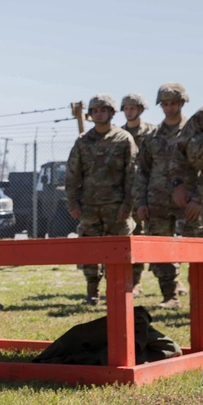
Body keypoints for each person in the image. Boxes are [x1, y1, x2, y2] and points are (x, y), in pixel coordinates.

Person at [65, 94, 138, 306]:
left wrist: (128, 205)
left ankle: (117, 295)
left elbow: (132, 174)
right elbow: (72, 175)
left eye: (103, 110)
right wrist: (73, 204)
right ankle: (92, 294)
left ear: (111, 113)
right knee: (89, 252)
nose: (99, 114)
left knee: (118, 254)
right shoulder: (83, 141)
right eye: (95, 111)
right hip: (89, 208)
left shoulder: (124, 139)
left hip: (116, 208)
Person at [134, 83, 201, 308]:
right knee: (161, 251)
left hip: (188, 201)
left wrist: (198, 198)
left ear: (182, 103)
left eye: (174, 103)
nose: (169, 108)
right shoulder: (151, 136)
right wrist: (141, 202)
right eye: (165, 104)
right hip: (157, 203)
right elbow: (142, 171)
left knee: (197, 248)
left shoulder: (194, 132)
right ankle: (169, 296)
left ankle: (198, 298)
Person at [120, 93, 156, 295]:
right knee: (131, 237)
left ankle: (172, 282)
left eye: (133, 108)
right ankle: (134, 281)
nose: (129, 111)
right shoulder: (118, 134)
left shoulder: (152, 133)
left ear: (141, 109)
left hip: (148, 192)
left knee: (153, 236)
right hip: (126, 193)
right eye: (126, 108)